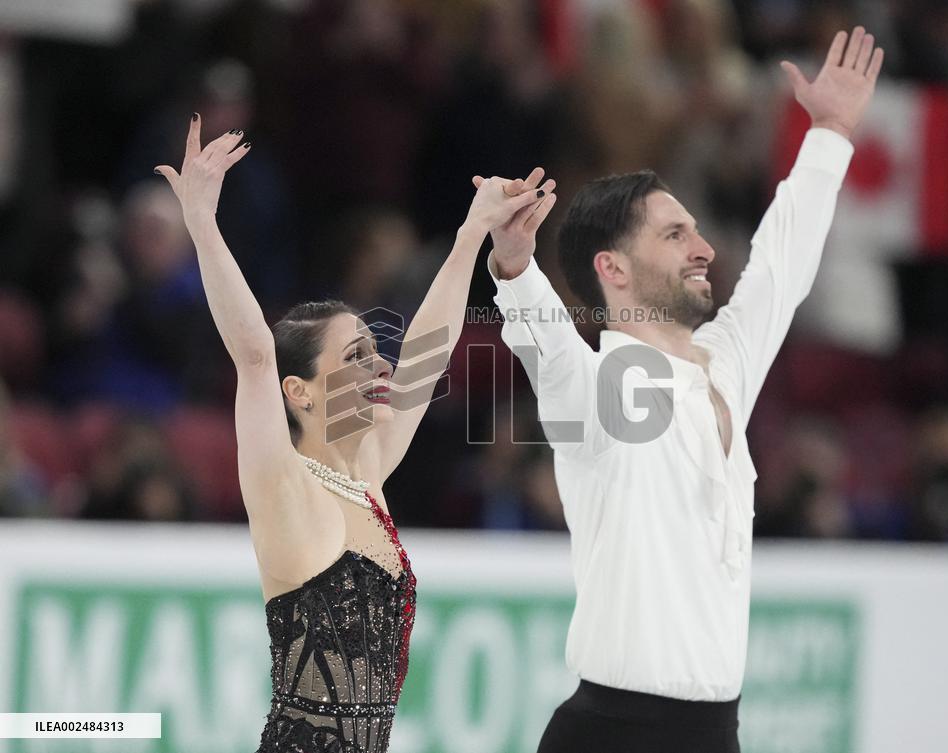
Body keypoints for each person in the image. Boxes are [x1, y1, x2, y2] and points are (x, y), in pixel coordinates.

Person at [486, 28, 883, 753]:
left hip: (714, 734)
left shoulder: (724, 363)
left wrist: (828, 134)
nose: (704, 247)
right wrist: (514, 261)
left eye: (697, 230)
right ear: (613, 268)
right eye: (675, 235)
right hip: (609, 735)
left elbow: (779, 270)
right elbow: (538, 336)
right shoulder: (596, 387)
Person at [154, 115, 556, 753]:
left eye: (374, 350)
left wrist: (472, 233)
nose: (381, 366)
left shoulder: (367, 472)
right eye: (356, 357)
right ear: (300, 391)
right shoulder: (282, 482)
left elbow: (427, 353)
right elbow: (257, 354)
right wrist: (202, 222)